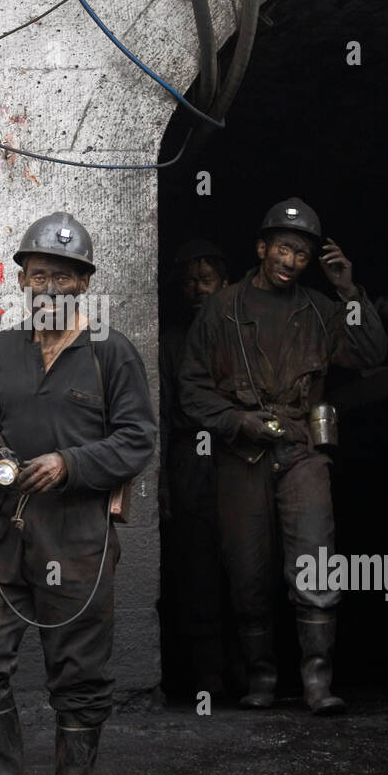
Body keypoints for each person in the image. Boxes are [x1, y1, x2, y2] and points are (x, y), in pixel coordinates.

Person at [0, 213, 156, 775]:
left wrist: (70, 463)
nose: (49, 288)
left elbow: (139, 438)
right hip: (0, 530)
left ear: (84, 283)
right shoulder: (3, 348)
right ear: (24, 281)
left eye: (63, 276)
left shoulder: (112, 351)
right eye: (38, 275)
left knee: (79, 674)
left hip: (77, 536)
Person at [178, 199, 387, 714]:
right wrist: (237, 421)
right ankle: (262, 679)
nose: (291, 260)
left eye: (302, 253)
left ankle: (317, 682)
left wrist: (347, 291)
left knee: (315, 563)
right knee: (248, 573)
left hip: (301, 450)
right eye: (283, 248)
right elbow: (193, 389)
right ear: (261, 247)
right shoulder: (220, 308)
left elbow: (369, 354)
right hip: (240, 452)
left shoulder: (320, 308)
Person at [159, 240, 229, 699]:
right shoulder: (170, 340)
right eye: (189, 282)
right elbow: (162, 411)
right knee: (198, 563)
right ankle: (210, 676)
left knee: (248, 562)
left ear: (226, 282)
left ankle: (253, 671)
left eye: (206, 280)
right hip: (191, 457)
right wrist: (162, 479)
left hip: (241, 451)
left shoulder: (244, 329)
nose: (197, 290)